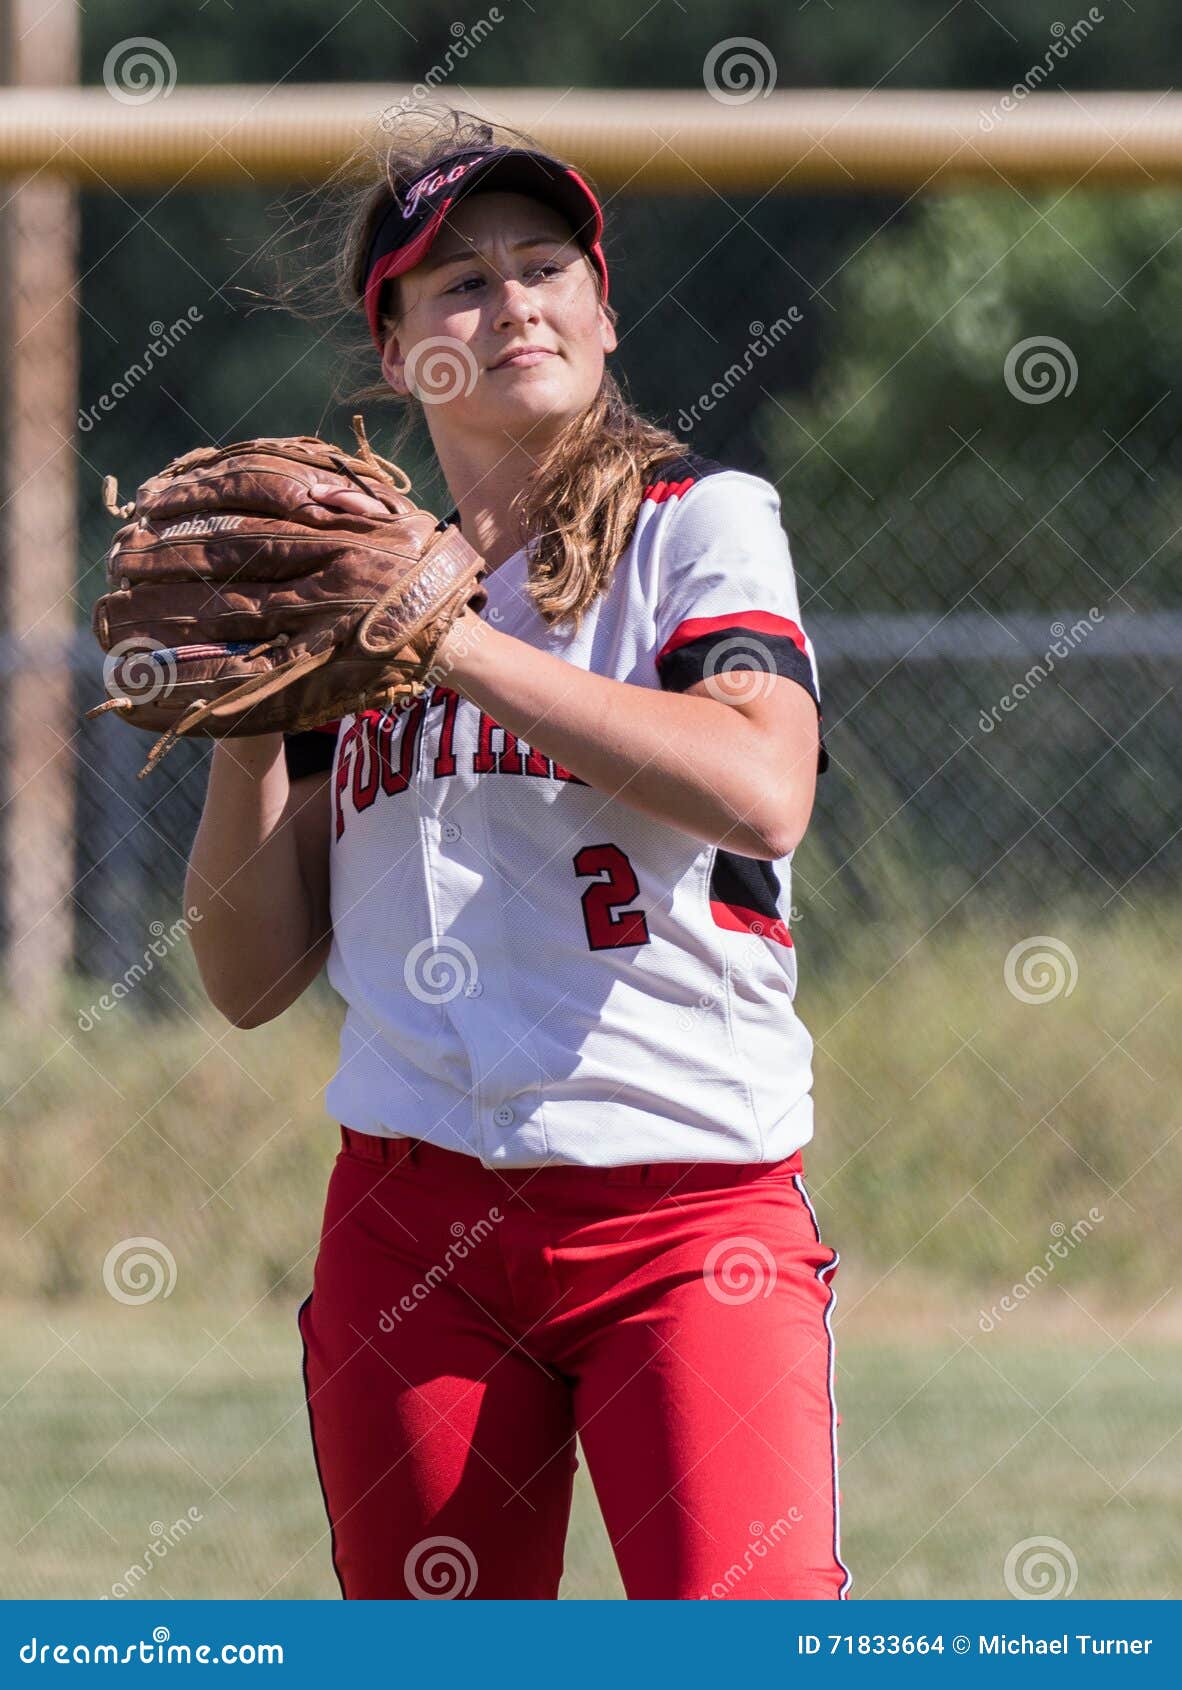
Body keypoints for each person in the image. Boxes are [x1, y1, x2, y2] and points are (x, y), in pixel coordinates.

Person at [185, 109, 847, 1602]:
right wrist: (247, 721)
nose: (516, 304)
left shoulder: (696, 526)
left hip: (684, 1210)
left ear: (604, 313)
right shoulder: (332, 592)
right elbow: (245, 978)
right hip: (410, 1221)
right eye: (461, 284)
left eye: (547, 265)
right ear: (396, 346)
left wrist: (453, 644)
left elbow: (759, 788)